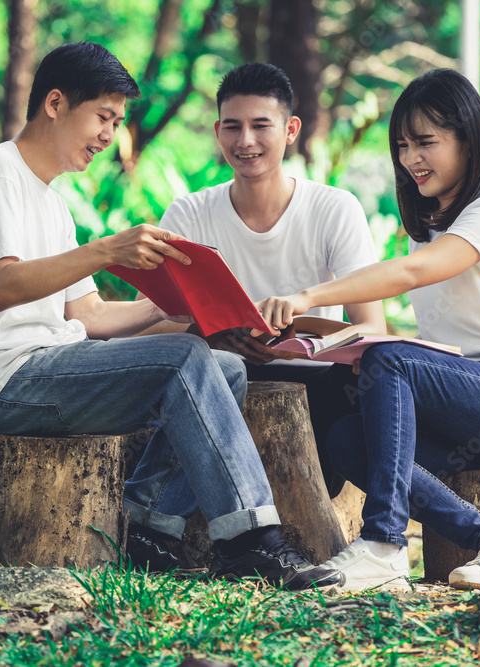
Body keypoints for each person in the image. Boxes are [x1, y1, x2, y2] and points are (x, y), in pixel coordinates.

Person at [0, 41, 342, 590]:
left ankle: (149, 526)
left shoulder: (50, 201)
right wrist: (106, 251)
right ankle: (250, 541)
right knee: (184, 361)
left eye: (116, 121)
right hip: (5, 381)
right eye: (103, 117)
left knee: (225, 366)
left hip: (53, 362)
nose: (109, 135)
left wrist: (181, 310)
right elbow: (1, 286)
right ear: (55, 103)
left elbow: (91, 314)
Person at [255, 68, 480, 591]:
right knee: (348, 440)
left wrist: (309, 296)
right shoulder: (427, 231)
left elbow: (408, 276)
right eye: (402, 145)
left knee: (391, 358)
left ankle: (383, 544)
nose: (410, 159)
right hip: (469, 405)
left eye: (426, 142)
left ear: (468, 141)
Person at [149, 62, 386, 483]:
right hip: (220, 377)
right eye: (231, 127)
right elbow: (144, 325)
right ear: (217, 130)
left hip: (319, 383)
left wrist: (299, 343)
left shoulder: (334, 208)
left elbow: (371, 328)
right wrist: (210, 335)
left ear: (291, 129)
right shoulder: (188, 213)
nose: (245, 141)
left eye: (261, 125)